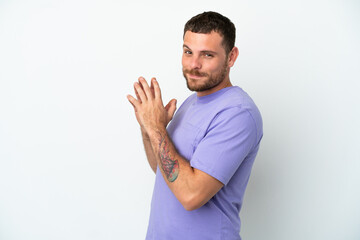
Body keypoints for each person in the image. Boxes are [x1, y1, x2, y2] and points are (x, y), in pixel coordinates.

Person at [127, 11, 263, 240]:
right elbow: (165, 171)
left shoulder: (238, 113)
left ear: (231, 57)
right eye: (188, 52)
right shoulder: (191, 102)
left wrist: (157, 128)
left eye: (207, 55)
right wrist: (148, 126)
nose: (194, 65)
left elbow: (191, 195)